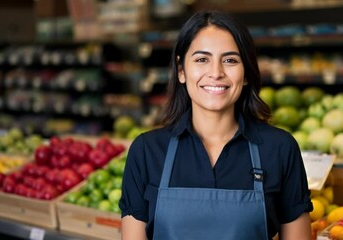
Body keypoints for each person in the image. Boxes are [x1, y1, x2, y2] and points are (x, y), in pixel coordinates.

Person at [119, 10, 313, 240]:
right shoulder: (146, 151)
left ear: (247, 72)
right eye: (202, 59)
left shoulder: (280, 148)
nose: (216, 73)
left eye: (230, 60)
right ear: (181, 70)